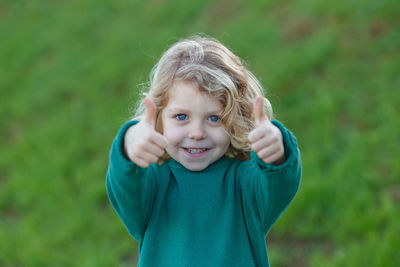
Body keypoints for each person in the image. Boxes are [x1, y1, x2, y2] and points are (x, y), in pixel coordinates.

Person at [106, 36, 302, 267]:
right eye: (181, 117)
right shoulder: (153, 185)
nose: (197, 133)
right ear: (158, 117)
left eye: (214, 118)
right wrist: (131, 141)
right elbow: (124, 184)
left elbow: (279, 184)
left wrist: (275, 151)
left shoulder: (244, 184)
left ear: (235, 119)